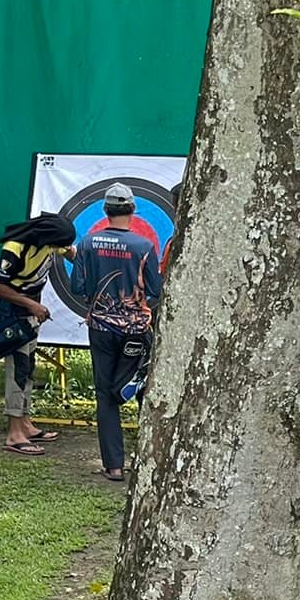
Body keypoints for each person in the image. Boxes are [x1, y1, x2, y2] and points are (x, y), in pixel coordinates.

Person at [70, 183, 166, 483]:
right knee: (141, 390)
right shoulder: (144, 247)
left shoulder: (88, 243)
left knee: (104, 396)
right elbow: (155, 289)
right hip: (137, 329)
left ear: (104, 211)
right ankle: (152, 459)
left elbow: (77, 287)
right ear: (133, 210)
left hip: (100, 327)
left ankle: (114, 466)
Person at [0, 211, 79, 456]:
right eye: (61, 243)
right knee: (17, 368)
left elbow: (70, 253)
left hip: (31, 312)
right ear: (49, 238)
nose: (63, 247)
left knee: (27, 367)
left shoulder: (49, 243)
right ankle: (14, 434)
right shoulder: (15, 248)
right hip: (14, 313)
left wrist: (73, 253)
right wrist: (30, 305)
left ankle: (25, 423)